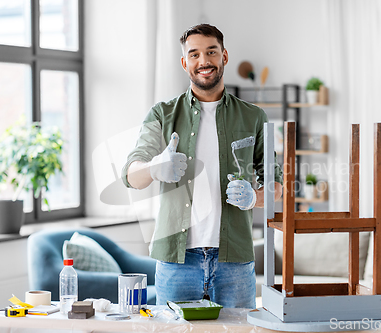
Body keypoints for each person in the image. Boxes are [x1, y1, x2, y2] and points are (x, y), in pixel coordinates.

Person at [121, 23, 283, 308]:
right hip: (176, 261)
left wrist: (254, 197)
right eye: (194, 54)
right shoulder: (162, 114)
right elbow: (131, 175)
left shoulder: (254, 117)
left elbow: (276, 186)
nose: (204, 61)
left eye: (211, 52)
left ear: (224, 56)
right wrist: (155, 167)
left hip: (234, 260)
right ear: (185, 63)